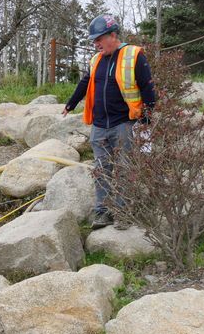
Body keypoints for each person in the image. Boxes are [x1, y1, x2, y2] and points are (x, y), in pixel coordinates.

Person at [62, 14, 156, 229]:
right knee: (101, 169)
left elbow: (148, 88)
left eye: (99, 39)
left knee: (124, 168)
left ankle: (123, 212)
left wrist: (146, 122)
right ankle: (102, 212)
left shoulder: (134, 55)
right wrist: (71, 103)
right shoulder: (96, 60)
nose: (96, 44)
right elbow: (85, 82)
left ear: (113, 35)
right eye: (94, 40)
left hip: (124, 123)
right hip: (99, 125)